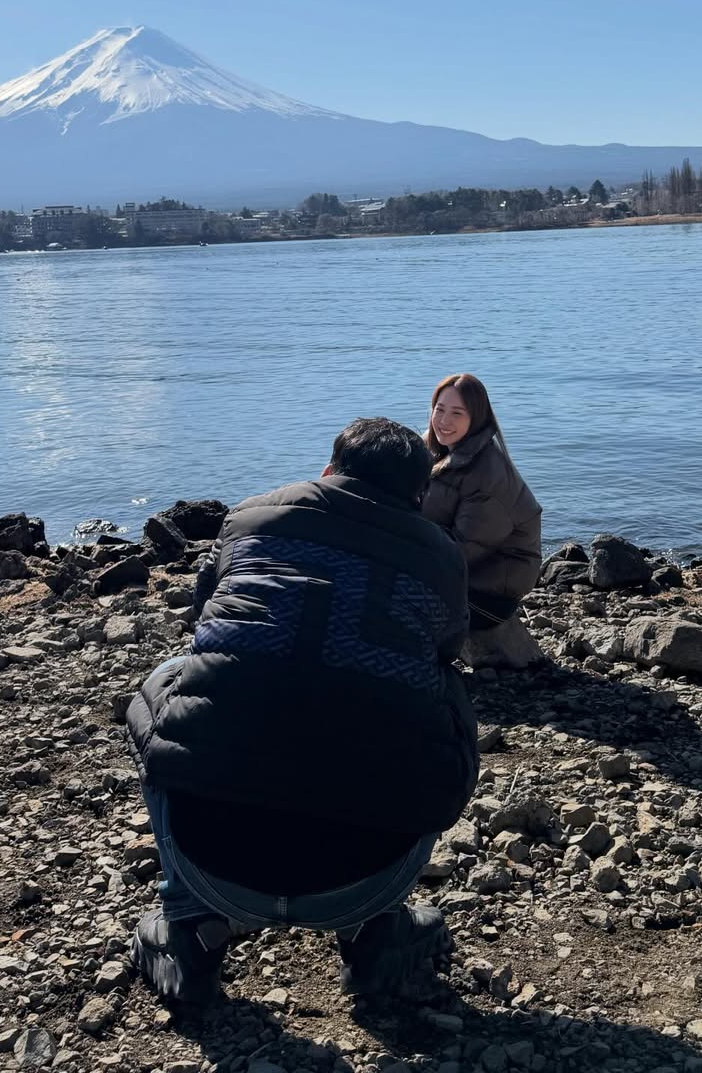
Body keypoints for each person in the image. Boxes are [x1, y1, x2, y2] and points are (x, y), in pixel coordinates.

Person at [125, 417, 478, 1010]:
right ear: (419, 496)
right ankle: (374, 932)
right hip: (368, 876)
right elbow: (447, 651)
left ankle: (190, 927)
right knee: (442, 697)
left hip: (210, 858)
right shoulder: (441, 556)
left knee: (170, 681)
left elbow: (203, 611)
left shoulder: (251, 517)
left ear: (328, 469)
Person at [422, 373, 543, 668]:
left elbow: (463, 551)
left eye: (457, 413)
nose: (444, 421)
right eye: (440, 409)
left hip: (489, 593)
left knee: (391, 592)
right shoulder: (439, 453)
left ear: (476, 418)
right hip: (465, 574)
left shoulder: (487, 474)